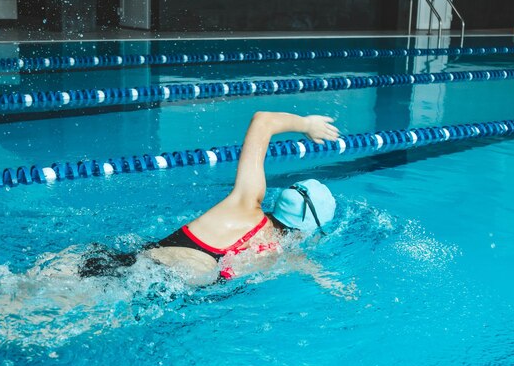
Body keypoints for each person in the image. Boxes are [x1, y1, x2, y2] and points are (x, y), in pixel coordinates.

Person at [79, 112, 340, 285]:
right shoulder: (280, 254)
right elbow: (312, 270)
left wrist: (307, 125)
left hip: (118, 260)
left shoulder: (245, 202)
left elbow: (263, 121)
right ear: (306, 230)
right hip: (144, 282)